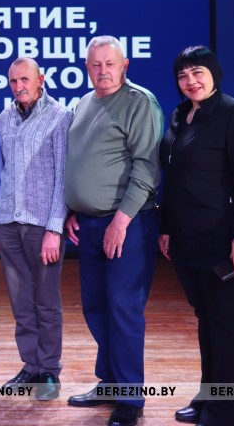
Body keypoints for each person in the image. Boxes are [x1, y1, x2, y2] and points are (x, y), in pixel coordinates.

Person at [158, 46, 234, 426]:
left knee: (230, 327)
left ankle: (227, 412)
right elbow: (174, 179)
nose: (191, 81)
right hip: (190, 241)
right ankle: (209, 399)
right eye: (183, 75)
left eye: (198, 72)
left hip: (229, 244)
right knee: (208, 323)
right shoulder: (179, 116)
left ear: (214, 73)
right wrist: (166, 227)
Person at [64, 36, 163, 426]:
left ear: (125, 65)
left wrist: (120, 221)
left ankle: (130, 397)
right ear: (86, 68)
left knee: (123, 308)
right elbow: (79, 162)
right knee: (96, 307)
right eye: (95, 64)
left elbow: (146, 168)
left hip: (127, 222)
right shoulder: (83, 103)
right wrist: (72, 209)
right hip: (87, 224)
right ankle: (109, 383)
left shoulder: (140, 102)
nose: (102, 70)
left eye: (109, 63)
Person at [0, 58, 72, 401]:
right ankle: (30, 365)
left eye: (25, 79)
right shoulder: (4, 118)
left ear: (40, 79)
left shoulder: (60, 116)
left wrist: (55, 228)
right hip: (9, 224)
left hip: (42, 226)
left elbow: (63, 176)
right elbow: (3, 173)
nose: (19, 86)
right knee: (21, 302)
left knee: (46, 302)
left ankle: (49, 370)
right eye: (13, 81)